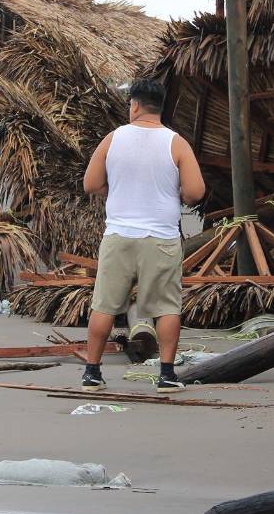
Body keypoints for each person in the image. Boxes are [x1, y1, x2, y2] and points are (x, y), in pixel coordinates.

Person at [81, 78, 205, 392]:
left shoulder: (113, 139)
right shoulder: (176, 142)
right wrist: (176, 194)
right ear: (159, 107)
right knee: (165, 307)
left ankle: (92, 373)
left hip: (119, 235)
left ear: (135, 105)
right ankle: (166, 374)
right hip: (161, 238)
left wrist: (115, 190)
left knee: (105, 305)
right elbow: (195, 192)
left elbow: (91, 184)